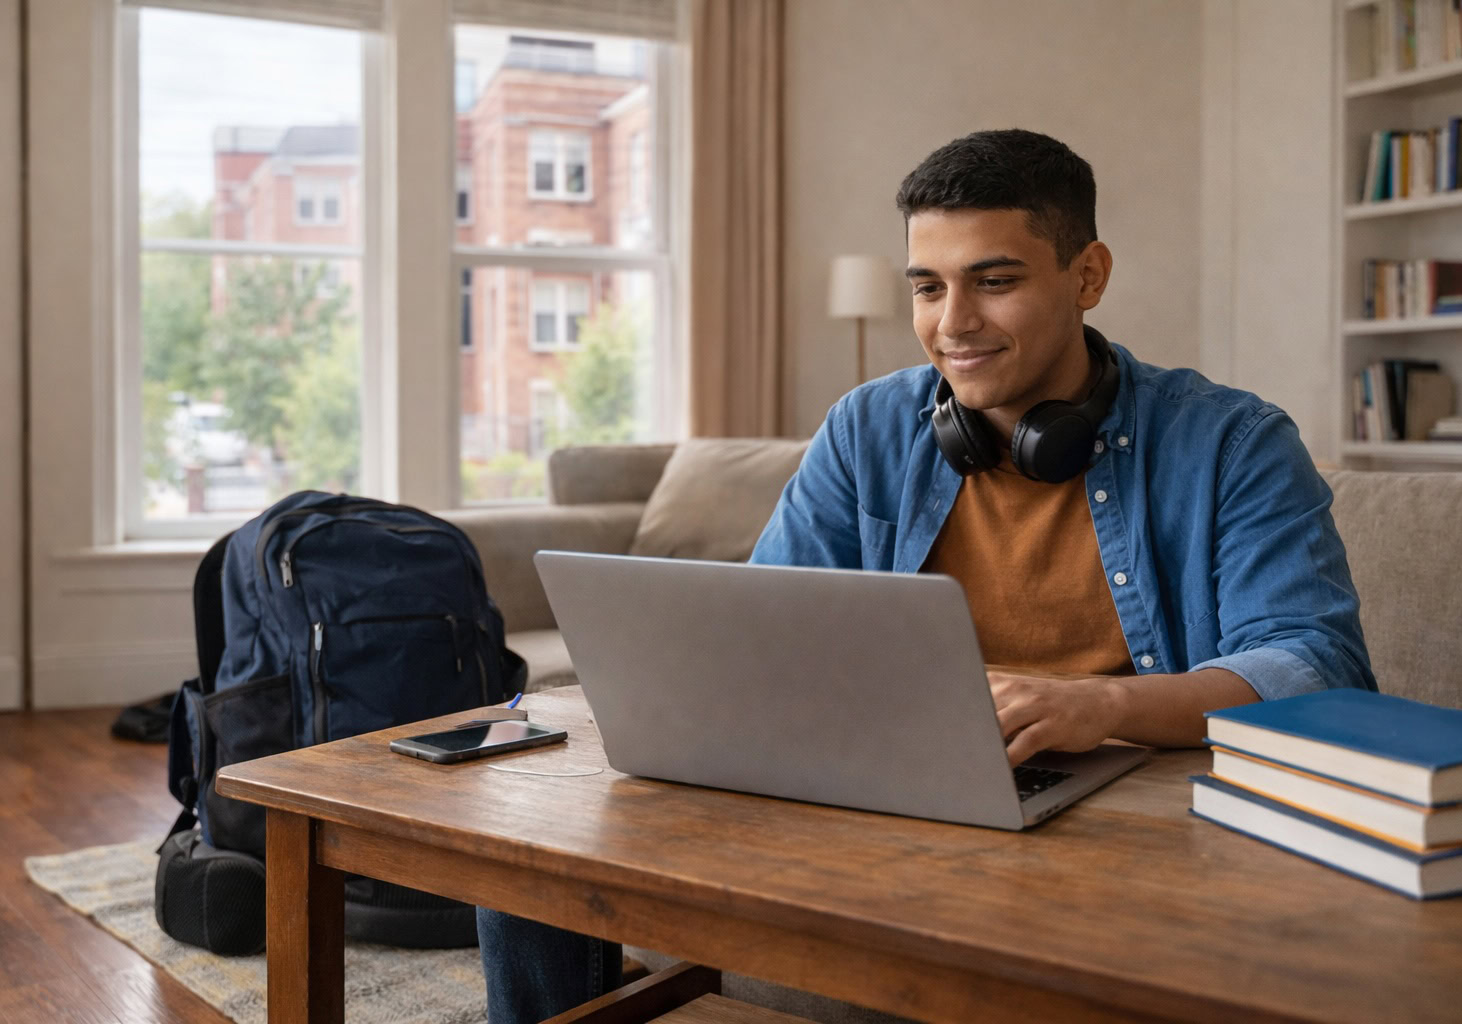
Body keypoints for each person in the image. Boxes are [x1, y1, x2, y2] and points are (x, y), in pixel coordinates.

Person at [475, 128, 1375, 1023]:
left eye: (995, 281)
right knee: (519, 848)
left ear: (1088, 276)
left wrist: (1103, 708)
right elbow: (767, 622)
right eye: (928, 287)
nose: (954, 324)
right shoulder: (870, 428)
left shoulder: (1233, 443)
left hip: (1122, 817)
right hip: (889, 797)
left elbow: (1316, 666)